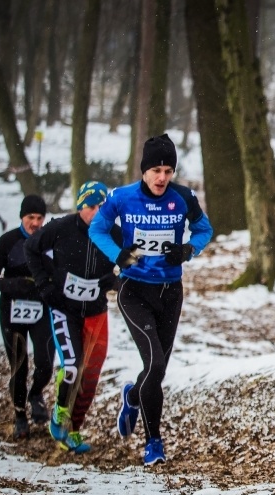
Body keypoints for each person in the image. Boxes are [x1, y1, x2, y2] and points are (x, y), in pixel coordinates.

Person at [89, 133, 213, 466]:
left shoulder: (183, 197)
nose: (162, 178)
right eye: (156, 170)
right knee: (155, 364)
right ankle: (153, 443)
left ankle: (132, 395)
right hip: (135, 291)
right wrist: (119, 255)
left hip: (170, 292)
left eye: (168, 171)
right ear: (144, 170)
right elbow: (97, 229)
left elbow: (205, 230)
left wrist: (187, 250)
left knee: (156, 371)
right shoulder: (121, 197)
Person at [24, 181, 122, 454]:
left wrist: (116, 279)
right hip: (64, 308)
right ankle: (60, 411)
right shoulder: (61, 227)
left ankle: (74, 428)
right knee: (72, 367)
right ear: (80, 206)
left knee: (91, 374)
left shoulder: (114, 233)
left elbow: (133, 258)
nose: (97, 212)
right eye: (91, 206)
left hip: (95, 311)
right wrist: (44, 285)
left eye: (102, 207)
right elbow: (31, 248)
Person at [0, 195, 54, 439]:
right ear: (22, 217)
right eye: (30, 217)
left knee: (45, 361)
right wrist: (15, 284)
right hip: (12, 311)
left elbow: (59, 272)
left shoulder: (48, 241)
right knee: (19, 366)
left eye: (39, 218)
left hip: (41, 309)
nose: (35, 223)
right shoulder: (8, 241)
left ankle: (36, 394)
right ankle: (20, 416)